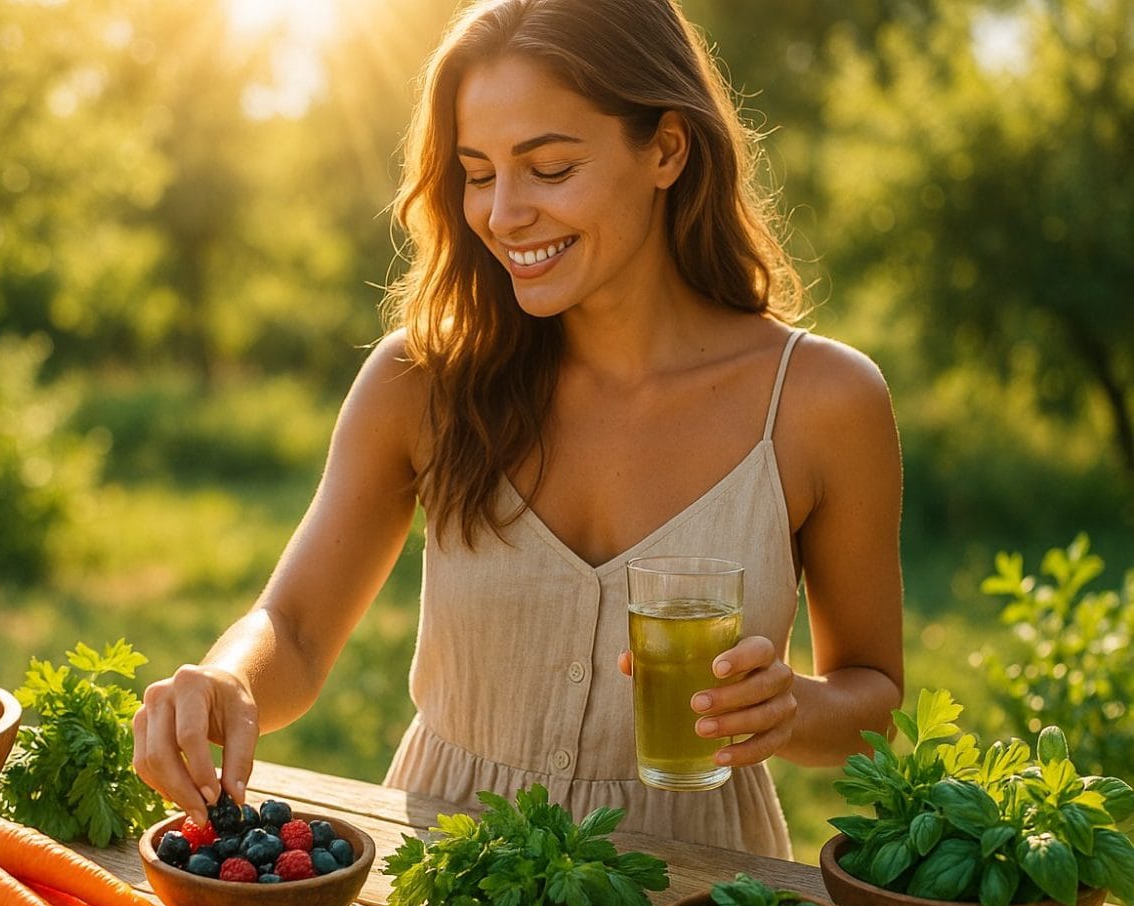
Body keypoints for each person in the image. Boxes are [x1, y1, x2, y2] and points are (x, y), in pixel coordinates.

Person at [132, 0, 903, 859]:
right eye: (477, 171)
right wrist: (228, 679)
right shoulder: (420, 381)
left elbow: (871, 703)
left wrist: (790, 708)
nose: (503, 214)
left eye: (549, 168)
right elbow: (299, 628)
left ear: (666, 148)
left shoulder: (822, 402)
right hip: (449, 886)